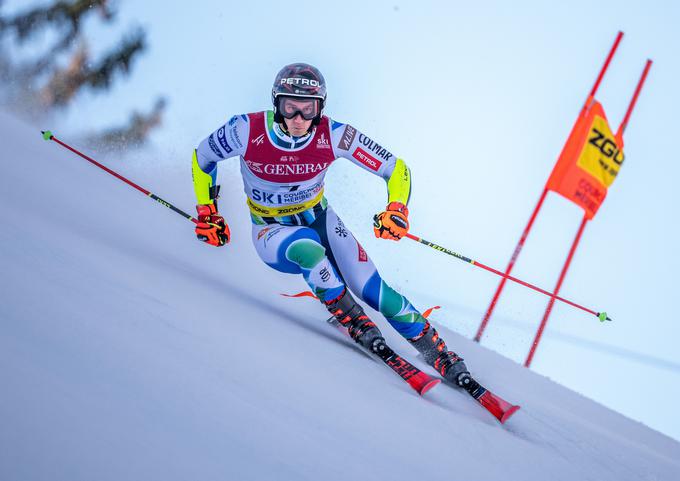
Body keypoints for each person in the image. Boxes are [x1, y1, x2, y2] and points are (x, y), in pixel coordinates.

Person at [191, 63, 470, 386]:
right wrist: (207, 210)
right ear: (276, 104)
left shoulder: (334, 134)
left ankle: (436, 350)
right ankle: (355, 321)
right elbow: (203, 158)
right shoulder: (246, 130)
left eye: (307, 109)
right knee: (310, 252)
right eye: (289, 107)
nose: (297, 119)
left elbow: (396, 169)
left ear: (320, 108)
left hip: (321, 218)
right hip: (271, 231)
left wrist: (396, 208)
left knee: (374, 290)